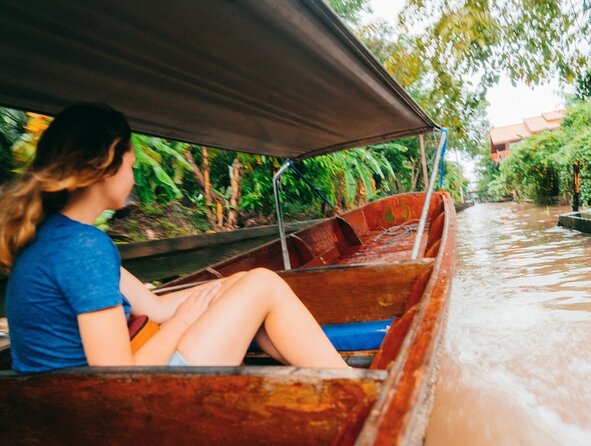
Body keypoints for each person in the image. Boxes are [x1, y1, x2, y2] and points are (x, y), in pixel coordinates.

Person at [0, 103, 348, 373]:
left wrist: (228, 286)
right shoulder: (84, 248)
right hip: (125, 411)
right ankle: (352, 385)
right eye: (131, 165)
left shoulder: (53, 238)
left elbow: (156, 307)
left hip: (79, 404)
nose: (134, 177)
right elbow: (116, 377)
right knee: (264, 285)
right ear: (105, 165)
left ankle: (327, 377)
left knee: (249, 282)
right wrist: (184, 322)